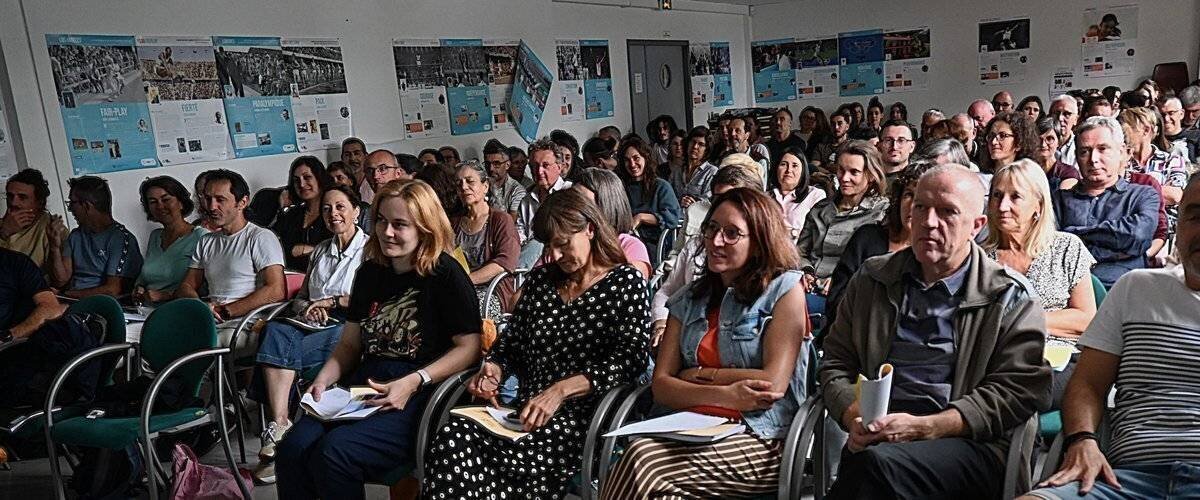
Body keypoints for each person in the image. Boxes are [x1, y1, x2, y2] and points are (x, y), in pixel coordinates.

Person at [821, 164, 1051, 499]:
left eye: (947, 212)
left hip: (969, 445)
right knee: (874, 466)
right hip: (880, 437)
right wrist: (854, 414)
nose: (928, 222)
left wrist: (927, 427)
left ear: (977, 226)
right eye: (920, 207)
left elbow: (1018, 391)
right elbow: (835, 363)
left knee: (873, 468)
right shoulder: (873, 279)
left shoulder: (1008, 296)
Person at [423, 188, 649, 499]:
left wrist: (560, 391)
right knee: (453, 436)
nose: (554, 256)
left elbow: (630, 360)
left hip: (585, 421)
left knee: (504, 464)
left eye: (563, 244)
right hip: (527, 413)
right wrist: (495, 368)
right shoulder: (542, 282)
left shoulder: (626, 283)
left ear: (590, 229)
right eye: (549, 246)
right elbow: (511, 344)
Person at [275, 180, 482, 500]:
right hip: (366, 386)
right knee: (291, 449)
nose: (386, 232)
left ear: (424, 227)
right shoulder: (370, 273)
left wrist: (414, 380)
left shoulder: (445, 274)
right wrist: (324, 379)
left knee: (334, 454)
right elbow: (349, 345)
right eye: (382, 221)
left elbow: (470, 348)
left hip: (421, 392)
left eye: (400, 224)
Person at [601, 187, 810, 499]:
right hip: (689, 431)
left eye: (732, 233)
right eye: (711, 229)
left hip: (762, 439)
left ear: (759, 241)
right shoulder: (689, 298)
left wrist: (693, 375)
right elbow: (662, 386)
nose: (715, 241)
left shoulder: (784, 291)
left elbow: (771, 384)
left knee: (643, 459)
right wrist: (727, 394)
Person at [1021, 176, 1200, 500]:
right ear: (1178, 226)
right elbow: (1088, 384)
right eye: (1195, 216)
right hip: (1123, 480)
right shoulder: (1136, 288)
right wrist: (1082, 440)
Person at [251, 185, 368, 484]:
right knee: (275, 329)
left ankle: (278, 438)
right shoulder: (320, 251)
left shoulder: (370, 251)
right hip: (311, 323)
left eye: (340, 207)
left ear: (356, 211)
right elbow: (301, 298)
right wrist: (309, 309)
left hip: (349, 326)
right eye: (327, 209)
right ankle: (281, 424)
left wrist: (331, 303)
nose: (333, 214)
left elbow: (372, 300)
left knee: (276, 352)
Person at [984, 159, 1097, 407]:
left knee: (1015, 394)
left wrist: (1020, 320)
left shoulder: (1066, 247)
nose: (1002, 206)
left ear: (1038, 205)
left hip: (1059, 360)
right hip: (999, 361)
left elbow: (1086, 320)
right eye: (997, 196)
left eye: (1015, 197)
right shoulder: (981, 258)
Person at [174, 169, 287, 354]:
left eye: (220, 199)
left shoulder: (260, 237)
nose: (211, 207)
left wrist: (226, 311)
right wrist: (202, 308)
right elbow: (186, 286)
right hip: (211, 320)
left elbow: (275, 291)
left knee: (188, 346)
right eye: (208, 199)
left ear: (242, 202)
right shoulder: (206, 241)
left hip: (245, 323)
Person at [651, 165, 763, 345]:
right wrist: (661, 324)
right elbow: (668, 292)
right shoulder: (698, 245)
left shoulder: (774, 280)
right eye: (717, 199)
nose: (722, 206)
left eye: (733, 198)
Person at [826, 161, 934, 333]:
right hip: (850, 335)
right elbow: (836, 300)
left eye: (923, 198)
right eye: (909, 195)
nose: (913, 205)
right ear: (898, 199)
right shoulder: (867, 237)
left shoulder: (936, 253)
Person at [1052, 117, 1159, 288]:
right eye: (1084, 151)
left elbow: (1138, 236)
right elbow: (1052, 249)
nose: (1093, 159)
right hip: (1068, 293)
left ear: (1121, 152)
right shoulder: (1059, 200)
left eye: (1103, 149)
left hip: (1123, 291)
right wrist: (1119, 249)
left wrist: (1073, 234)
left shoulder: (1143, 195)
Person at [797, 140, 889, 315]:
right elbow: (800, 252)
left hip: (847, 295)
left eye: (854, 172)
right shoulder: (820, 208)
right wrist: (806, 271)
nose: (844, 178)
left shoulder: (881, 213)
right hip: (807, 286)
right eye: (841, 170)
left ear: (871, 175)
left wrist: (841, 282)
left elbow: (876, 265)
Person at [49, 176, 143, 299]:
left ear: (87, 206)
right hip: (73, 300)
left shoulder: (121, 239)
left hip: (101, 303)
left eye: (72, 203)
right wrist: (54, 247)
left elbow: (112, 290)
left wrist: (66, 295)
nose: (70, 209)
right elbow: (61, 280)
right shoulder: (76, 236)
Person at [451, 160, 520, 314]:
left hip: (492, 292)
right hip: (458, 289)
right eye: (459, 184)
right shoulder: (454, 223)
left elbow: (504, 263)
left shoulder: (501, 220)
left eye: (470, 181)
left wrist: (465, 281)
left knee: (462, 308)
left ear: (485, 186)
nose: (464, 187)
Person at [132, 176, 207, 304]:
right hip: (146, 309)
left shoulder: (200, 236)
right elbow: (144, 277)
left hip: (180, 308)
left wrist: (166, 295)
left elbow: (206, 286)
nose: (160, 206)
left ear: (181, 203)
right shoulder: (155, 236)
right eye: (153, 202)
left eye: (166, 199)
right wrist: (139, 288)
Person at [575, 168, 652, 279]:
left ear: (607, 204)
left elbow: (632, 284)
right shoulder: (565, 244)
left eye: (584, 203)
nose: (574, 208)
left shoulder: (630, 246)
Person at [619, 135, 681, 261]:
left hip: (655, 245)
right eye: (627, 160)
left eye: (636, 158)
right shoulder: (620, 187)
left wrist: (641, 217)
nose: (632, 164)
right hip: (627, 241)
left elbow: (673, 218)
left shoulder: (661, 186)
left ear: (645, 158)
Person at [1, 169, 66, 277]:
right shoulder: (2, 225)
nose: (13, 203)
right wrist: (4, 234)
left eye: (22, 197)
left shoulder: (52, 229)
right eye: (10, 196)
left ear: (39, 202)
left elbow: (59, 279)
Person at [273, 156, 334, 271]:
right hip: (289, 274)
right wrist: (282, 209)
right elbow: (274, 246)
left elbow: (338, 249)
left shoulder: (333, 213)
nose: (301, 184)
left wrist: (311, 249)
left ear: (319, 179)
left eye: (307, 177)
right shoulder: (291, 214)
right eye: (296, 180)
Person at [1118, 107, 1188, 206]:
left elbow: (1175, 196)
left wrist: (1129, 189)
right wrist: (1158, 190)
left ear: (1146, 130)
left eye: (1125, 130)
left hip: (1164, 215)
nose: (1122, 135)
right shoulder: (1119, 161)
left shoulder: (1171, 160)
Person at [516, 138, 574, 244]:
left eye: (545, 165)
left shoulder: (572, 193)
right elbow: (519, 235)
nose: (539, 171)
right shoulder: (526, 200)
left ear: (559, 167)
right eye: (534, 166)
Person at [772, 146, 826, 240]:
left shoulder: (815, 195)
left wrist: (790, 233)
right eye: (783, 164)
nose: (789, 170)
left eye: (795, 166)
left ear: (803, 170)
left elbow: (817, 234)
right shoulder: (765, 196)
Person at [670, 126, 719, 208]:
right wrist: (679, 201)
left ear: (706, 150)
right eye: (693, 142)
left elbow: (709, 201)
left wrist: (693, 203)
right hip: (676, 214)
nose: (695, 146)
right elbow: (668, 196)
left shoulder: (711, 171)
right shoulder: (677, 170)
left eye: (701, 144)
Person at [482, 138, 527, 220]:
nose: (491, 168)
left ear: (507, 165)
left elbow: (510, 223)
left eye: (496, 163)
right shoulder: (481, 186)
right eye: (487, 164)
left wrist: (493, 189)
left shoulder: (517, 190)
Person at [1032, 117, 1081, 190]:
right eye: (1039, 139)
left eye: (1049, 139)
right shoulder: (1028, 170)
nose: (1043, 144)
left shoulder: (1068, 173)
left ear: (1059, 142)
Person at [725, 116, 771, 181]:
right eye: (730, 131)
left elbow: (761, 186)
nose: (732, 134)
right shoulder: (725, 159)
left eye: (737, 130)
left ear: (747, 135)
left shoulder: (758, 161)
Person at [765, 107, 807, 174]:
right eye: (776, 120)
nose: (778, 122)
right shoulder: (768, 145)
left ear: (790, 123)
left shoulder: (798, 143)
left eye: (782, 119)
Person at [1160, 95, 1200, 161]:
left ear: (1181, 114)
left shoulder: (1196, 137)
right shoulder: (1153, 140)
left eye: (1171, 113)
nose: (1166, 119)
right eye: (1162, 114)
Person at [1051, 95, 1081, 167]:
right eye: (1056, 113)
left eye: (1067, 114)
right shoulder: (1040, 145)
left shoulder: (1080, 145)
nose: (1060, 118)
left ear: (1076, 119)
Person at [341, 137, 370, 202]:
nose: (352, 158)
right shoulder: (340, 184)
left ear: (366, 156)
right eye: (347, 155)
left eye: (357, 153)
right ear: (342, 158)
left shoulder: (374, 182)